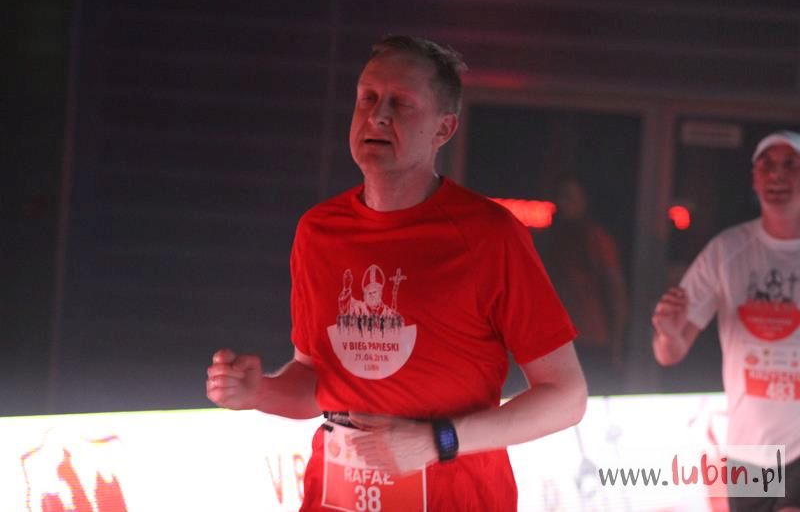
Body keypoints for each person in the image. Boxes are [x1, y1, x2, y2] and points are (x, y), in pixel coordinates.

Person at [207, 35, 587, 511]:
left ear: (444, 128)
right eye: (368, 98)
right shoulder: (318, 231)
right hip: (335, 498)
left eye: (401, 103)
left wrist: (436, 441)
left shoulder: (490, 234)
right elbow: (315, 381)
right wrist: (258, 391)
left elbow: (566, 397)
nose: (378, 116)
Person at [652, 131, 800, 512]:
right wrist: (668, 332)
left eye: (790, 165)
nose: (777, 175)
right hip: (749, 450)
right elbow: (669, 353)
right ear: (754, 179)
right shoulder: (728, 250)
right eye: (767, 166)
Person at [536, 174, 629, 384]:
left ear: (583, 202)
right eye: (561, 197)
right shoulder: (553, 240)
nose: (563, 203)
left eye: (570, 197)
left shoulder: (595, 238)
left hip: (591, 338)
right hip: (559, 339)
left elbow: (615, 290)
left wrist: (616, 342)